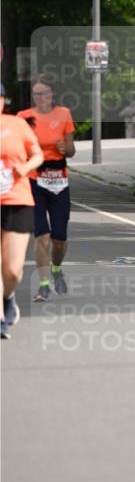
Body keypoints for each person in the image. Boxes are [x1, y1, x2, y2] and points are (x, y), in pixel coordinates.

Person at [18, 80, 76, 300]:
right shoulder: (24, 117)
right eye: (36, 94)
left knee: (59, 238)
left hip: (59, 182)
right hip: (34, 182)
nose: (40, 98)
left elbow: (71, 150)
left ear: (52, 94)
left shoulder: (63, 114)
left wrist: (65, 148)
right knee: (42, 236)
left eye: (44, 93)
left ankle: (56, 269)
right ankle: (43, 285)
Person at [1, 82, 44, 339]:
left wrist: (26, 167)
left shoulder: (17, 125)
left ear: (4, 100)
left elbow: (37, 154)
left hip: (17, 199)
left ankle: (8, 297)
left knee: (12, 270)